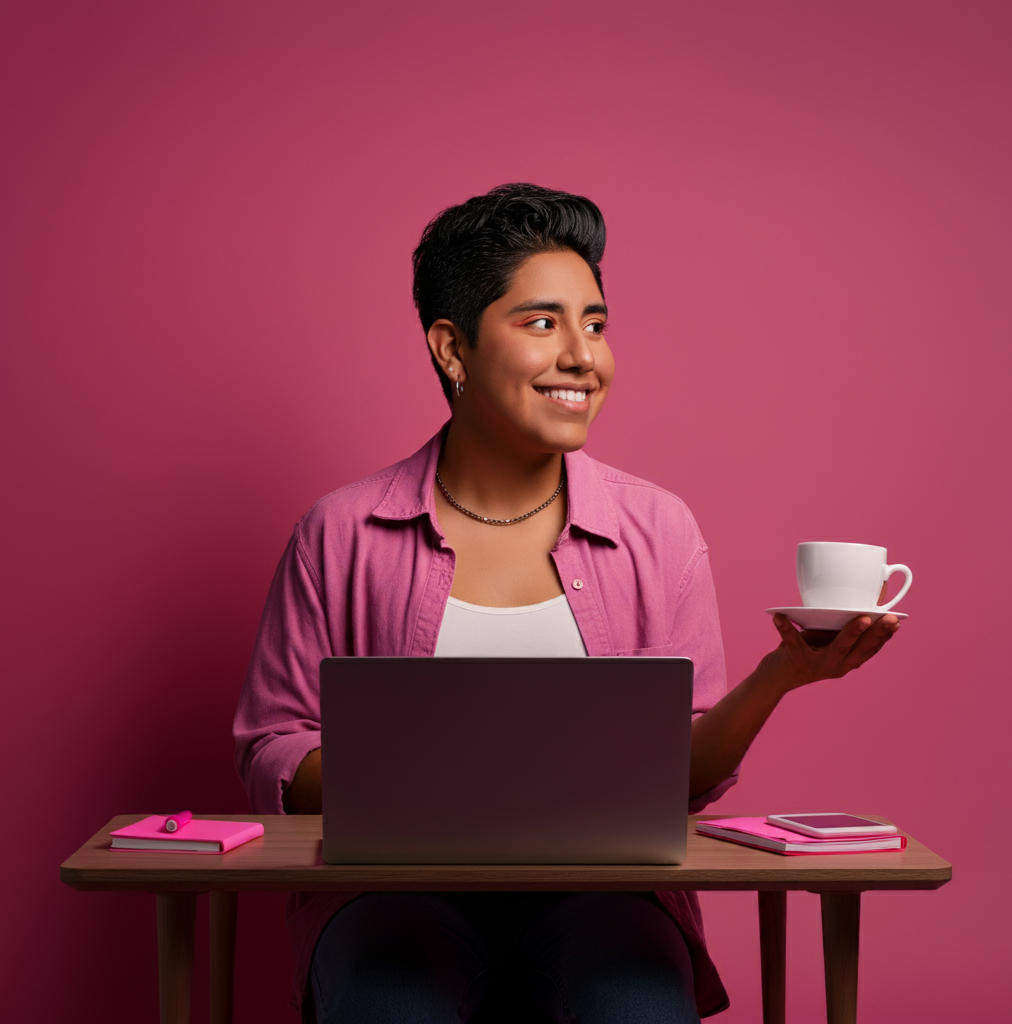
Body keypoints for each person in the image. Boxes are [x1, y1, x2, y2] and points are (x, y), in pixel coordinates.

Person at [233, 184, 900, 1023]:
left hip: (607, 898)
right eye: (543, 323)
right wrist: (431, 776)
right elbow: (272, 750)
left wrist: (779, 675)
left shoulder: (658, 530)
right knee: (388, 1007)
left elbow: (684, 783)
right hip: (392, 898)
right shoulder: (337, 534)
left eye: (595, 323)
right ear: (453, 349)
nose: (586, 356)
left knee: (636, 1008)